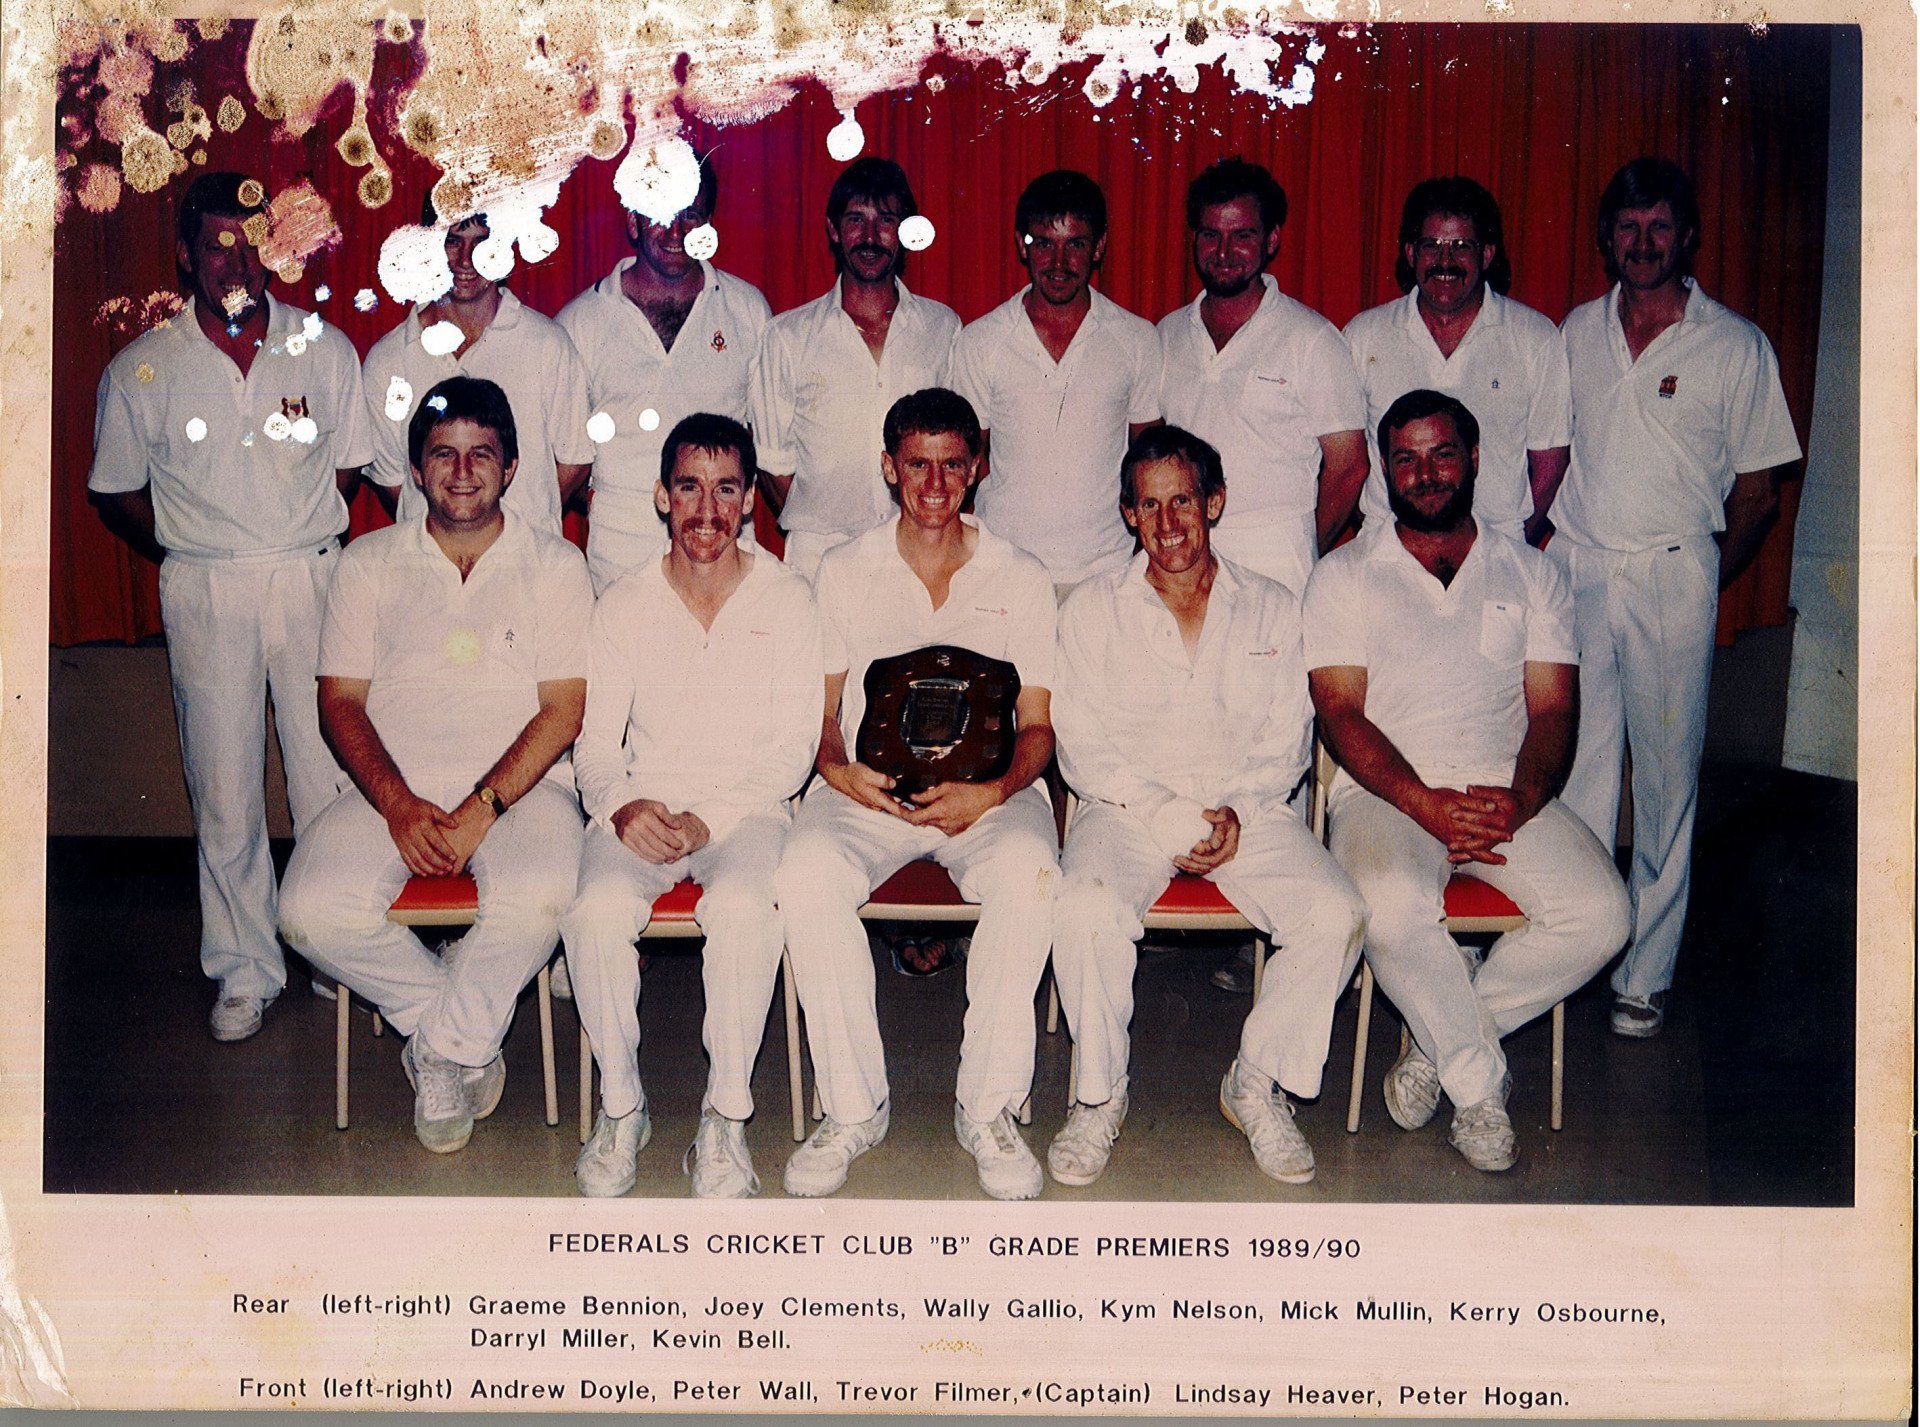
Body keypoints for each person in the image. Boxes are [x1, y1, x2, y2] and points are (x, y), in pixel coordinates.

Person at [1304, 389, 1629, 1172]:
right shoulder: (1345, 574)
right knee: (1385, 903)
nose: (1424, 473)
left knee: (1604, 914)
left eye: (1441, 453)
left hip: (1499, 795)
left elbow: (1554, 712)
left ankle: (1438, 1039)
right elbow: (1340, 715)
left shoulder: (1530, 571)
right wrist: (1424, 803)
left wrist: (1519, 800)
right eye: (1406, 458)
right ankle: (1480, 1091)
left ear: (1476, 458)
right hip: (1387, 795)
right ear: (1385, 470)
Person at [88, 170, 369, 1042]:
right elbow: (114, 489)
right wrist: (186, 544)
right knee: (224, 787)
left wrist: (299, 531)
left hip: (309, 573)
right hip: (207, 585)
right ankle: (245, 968)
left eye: (249, 242)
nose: (233, 261)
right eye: (215, 244)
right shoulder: (144, 366)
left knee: (326, 774)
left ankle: (336, 952)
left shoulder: (323, 349)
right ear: (185, 255)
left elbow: (350, 466)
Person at [277, 376, 591, 1154]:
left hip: (522, 793)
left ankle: (443, 1051)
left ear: (512, 467)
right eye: (442, 455)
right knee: (307, 908)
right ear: (415, 469)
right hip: (394, 790)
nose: (461, 471)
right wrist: (397, 802)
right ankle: (459, 1032)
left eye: (481, 454)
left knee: (545, 894)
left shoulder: (556, 565)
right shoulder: (368, 561)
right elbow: (340, 702)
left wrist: (485, 804)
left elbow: (564, 710)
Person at [1050, 426, 1365, 1187]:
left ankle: (1256, 1081)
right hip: (1125, 810)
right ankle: (1098, 1095)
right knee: (1084, 905)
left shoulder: (1273, 606)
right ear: (1128, 515)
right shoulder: (1093, 607)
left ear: (1214, 501)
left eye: (1183, 500)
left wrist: (1239, 811)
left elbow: (1291, 738)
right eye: (1149, 505)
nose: (1168, 524)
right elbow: (1080, 745)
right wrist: (1164, 813)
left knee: (1337, 912)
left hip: (1247, 812)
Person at [772, 388, 1061, 1200]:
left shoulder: (1023, 575)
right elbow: (822, 715)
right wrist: (838, 773)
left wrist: (993, 791)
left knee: (1033, 871)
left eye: (952, 466)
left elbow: (1038, 728)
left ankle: (989, 1107)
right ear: (890, 468)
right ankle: (854, 1106)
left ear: (978, 469)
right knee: (804, 873)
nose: (934, 485)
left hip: (987, 796)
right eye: (917, 466)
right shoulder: (843, 569)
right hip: (869, 791)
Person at [1554, 159, 1801, 1039]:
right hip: (1580, 567)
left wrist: (1698, 574)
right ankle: (1574, 945)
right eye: (1627, 228)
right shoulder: (1575, 331)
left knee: (1664, 783)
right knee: (1577, 768)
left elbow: (1762, 493)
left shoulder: (1734, 344)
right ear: (1606, 237)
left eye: (1660, 227)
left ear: (1687, 236)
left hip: (1673, 572)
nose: (1643, 243)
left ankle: (1645, 972)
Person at [561, 413, 823, 1199]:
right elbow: (595, 749)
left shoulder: (789, 597)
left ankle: (724, 1117)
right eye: (688, 487)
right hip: (642, 807)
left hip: (747, 812)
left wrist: (711, 817)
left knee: (745, 907)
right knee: (596, 910)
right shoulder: (624, 603)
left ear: (749, 502)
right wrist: (624, 804)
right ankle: (622, 1106)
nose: (707, 510)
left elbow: (791, 751)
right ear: (660, 496)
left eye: (726, 489)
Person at [558, 151, 771, 592]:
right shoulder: (580, 323)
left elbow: (762, 442)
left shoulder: (748, 310)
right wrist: (615, 500)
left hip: (723, 558)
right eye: (660, 214)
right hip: (620, 563)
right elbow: (566, 459)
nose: (676, 232)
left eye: (691, 215)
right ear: (632, 222)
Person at [1157, 157, 1369, 598]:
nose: (1223, 251)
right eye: (1211, 234)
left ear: (1271, 239)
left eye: (1242, 236)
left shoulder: (1312, 339)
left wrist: (1302, 546)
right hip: (1180, 565)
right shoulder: (1166, 334)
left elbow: (1350, 466)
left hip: (1278, 569)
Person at [948, 169, 1161, 593]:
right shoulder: (980, 341)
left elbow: (1149, 461)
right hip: (1005, 571)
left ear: (1099, 246)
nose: (1059, 263)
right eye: (1043, 243)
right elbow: (965, 460)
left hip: (1107, 572)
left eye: (1075, 244)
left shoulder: (1136, 339)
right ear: (1020, 245)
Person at [750, 157, 960, 583]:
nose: (869, 237)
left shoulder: (942, 329)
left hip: (918, 555)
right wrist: (829, 520)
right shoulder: (787, 337)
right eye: (855, 220)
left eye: (885, 220)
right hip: (817, 560)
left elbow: (958, 449)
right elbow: (772, 462)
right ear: (832, 230)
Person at [1343, 177, 1571, 547]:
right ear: (1410, 253)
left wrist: (1502, 549)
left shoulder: (1534, 338)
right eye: (1431, 246)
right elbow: (1347, 465)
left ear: (1487, 254)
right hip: (1387, 554)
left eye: (1461, 246)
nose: (1445, 262)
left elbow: (1549, 469)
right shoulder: (1364, 335)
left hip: (1497, 550)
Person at [363, 194, 593, 537]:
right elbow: (393, 480)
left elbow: (574, 460)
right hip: (430, 575)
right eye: (452, 241)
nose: (466, 259)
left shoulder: (548, 344)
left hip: (525, 571)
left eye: (482, 242)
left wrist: (514, 533)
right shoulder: (388, 360)